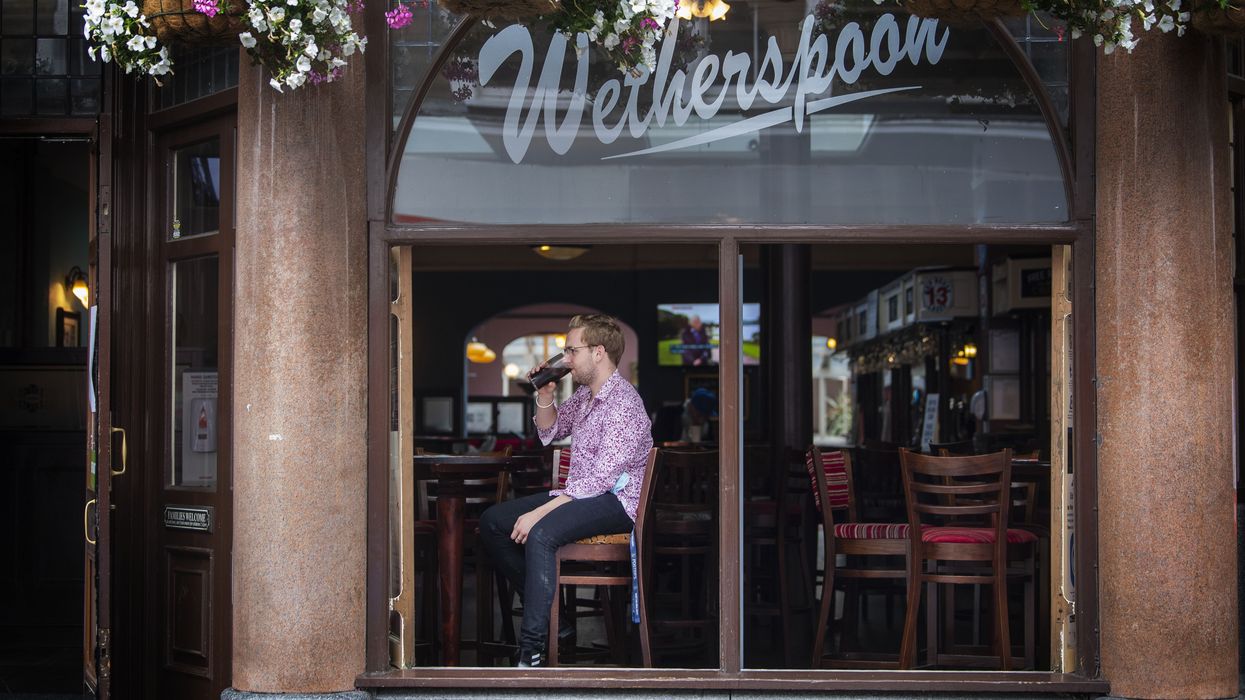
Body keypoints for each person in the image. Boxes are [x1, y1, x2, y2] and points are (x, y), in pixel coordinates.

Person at [479, 314, 653, 667]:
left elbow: (601, 481)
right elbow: (552, 430)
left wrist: (540, 512)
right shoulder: (587, 397)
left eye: (572, 351)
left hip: (615, 502)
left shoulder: (623, 403)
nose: (566, 359)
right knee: (493, 521)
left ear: (599, 352)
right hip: (582, 494)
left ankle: (532, 652)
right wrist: (545, 393)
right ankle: (559, 625)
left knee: (540, 533)